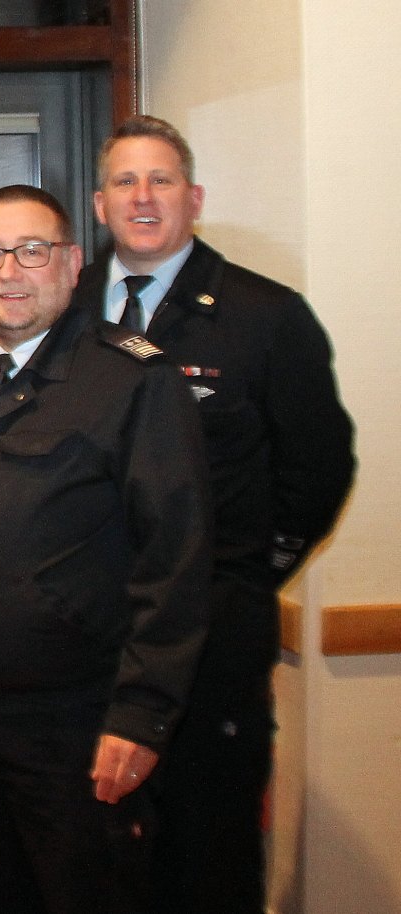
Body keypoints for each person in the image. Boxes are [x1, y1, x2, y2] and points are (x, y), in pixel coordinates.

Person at [0, 184, 212, 914]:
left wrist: (142, 714)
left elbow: (175, 561)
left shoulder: (130, 381)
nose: (11, 272)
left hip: (76, 726)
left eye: (33, 251)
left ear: (73, 263)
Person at [80, 115, 354, 914]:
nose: (142, 197)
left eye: (160, 180)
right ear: (99, 205)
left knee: (206, 855)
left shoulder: (265, 316)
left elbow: (319, 468)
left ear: (193, 197)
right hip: (93, 638)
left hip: (212, 644)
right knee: (94, 862)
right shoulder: (65, 314)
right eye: (124, 182)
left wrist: (243, 574)